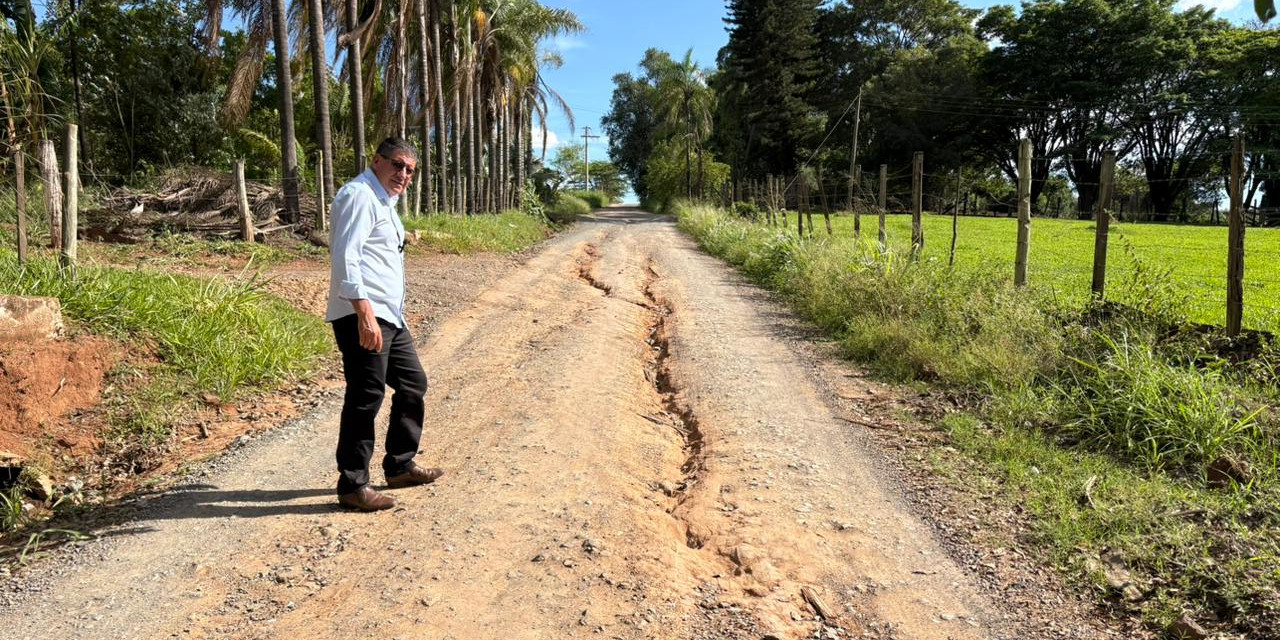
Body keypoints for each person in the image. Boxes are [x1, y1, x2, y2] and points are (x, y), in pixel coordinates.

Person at [325, 137, 443, 511]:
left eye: (410, 169)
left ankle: (399, 465)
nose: (403, 174)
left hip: (390, 317)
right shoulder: (359, 195)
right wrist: (364, 313)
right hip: (364, 315)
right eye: (397, 164)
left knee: (413, 383)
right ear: (377, 161)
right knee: (366, 396)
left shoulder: (385, 203)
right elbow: (346, 258)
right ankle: (353, 485)